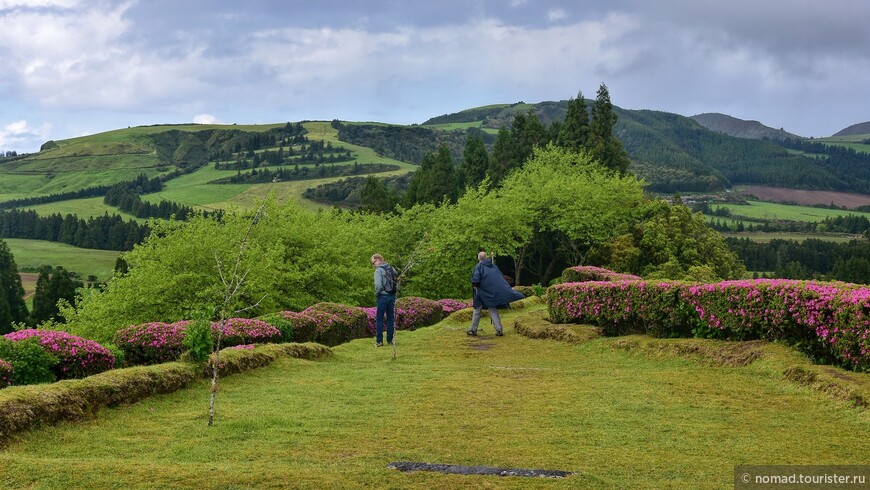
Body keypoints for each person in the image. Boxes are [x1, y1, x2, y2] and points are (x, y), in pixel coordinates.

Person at [467, 251, 525, 337]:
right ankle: (499, 330)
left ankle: (473, 330)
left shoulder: (478, 267)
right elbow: (499, 278)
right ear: (486, 257)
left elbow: (475, 281)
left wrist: (476, 287)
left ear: (478, 258)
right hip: (491, 294)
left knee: (477, 311)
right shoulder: (494, 266)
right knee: (492, 309)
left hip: (480, 293)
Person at [371, 253, 397, 347]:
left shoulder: (379, 270)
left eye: (373, 262)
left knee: (379, 318)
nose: (373, 265)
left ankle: (379, 341)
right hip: (392, 295)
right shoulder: (391, 268)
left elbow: (378, 285)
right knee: (390, 318)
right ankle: (390, 340)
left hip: (383, 296)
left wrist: (377, 293)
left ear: (378, 260)